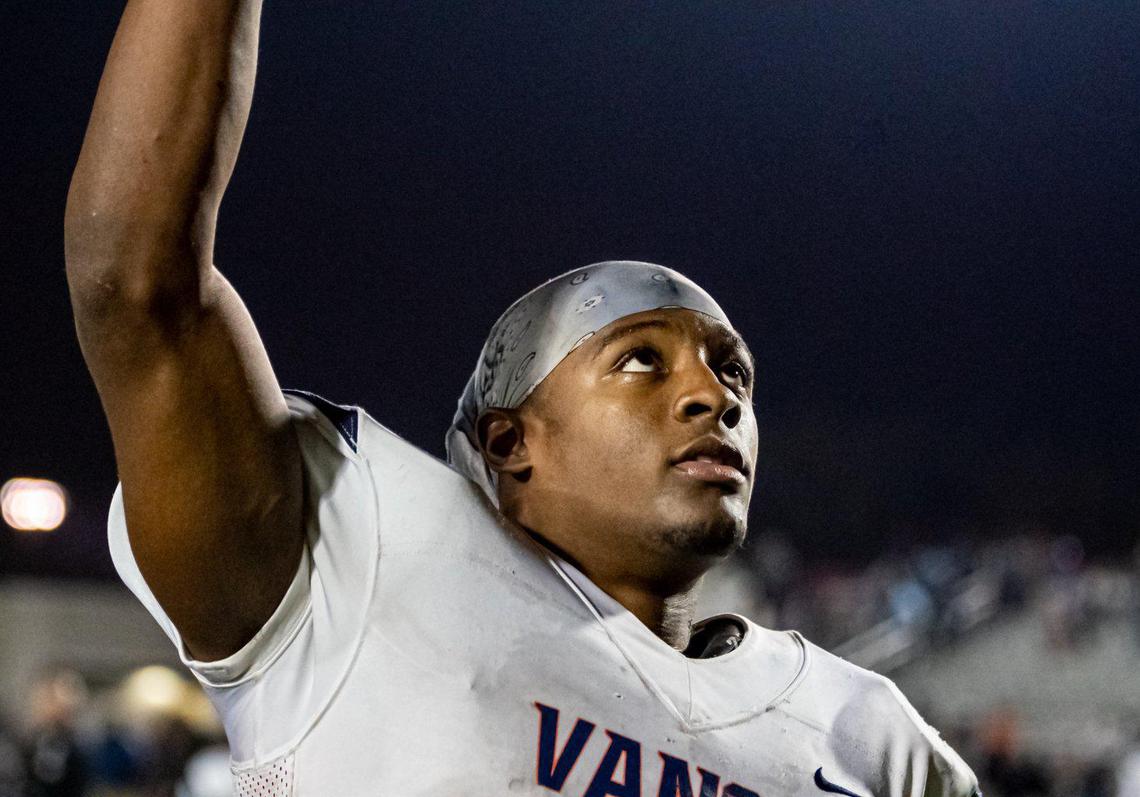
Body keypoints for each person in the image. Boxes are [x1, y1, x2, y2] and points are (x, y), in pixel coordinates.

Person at [64, 2, 981, 795]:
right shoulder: (356, 556)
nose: (712, 394)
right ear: (512, 444)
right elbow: (136, 285)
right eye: (640, 361)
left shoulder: (871, 733)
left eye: (732, 370)